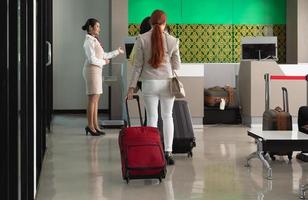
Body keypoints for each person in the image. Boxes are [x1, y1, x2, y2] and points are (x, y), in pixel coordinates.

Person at [127, 10, 181, 165]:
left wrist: (131, 88)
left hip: (149, 84)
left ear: (150, 22)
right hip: (166, 84)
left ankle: (152, 151)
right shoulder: (173, 41)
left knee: (152, 117)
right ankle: (168, 152)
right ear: (165, 23)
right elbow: (177, 66)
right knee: (167, 116)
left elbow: (137, 67)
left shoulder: (141, 39)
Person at [82, 18, 124, 136]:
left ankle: (95, 125)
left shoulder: (94, 40)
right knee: (92, 100)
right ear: (90, 28)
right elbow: (92, 59)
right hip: (91, 70)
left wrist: (117, 52)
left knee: (96, 100)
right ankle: (90, 126)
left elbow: (103, 55)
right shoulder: (88, 41)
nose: (99, 29)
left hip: (96, 70)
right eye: (97, 26)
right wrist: (104, 63)